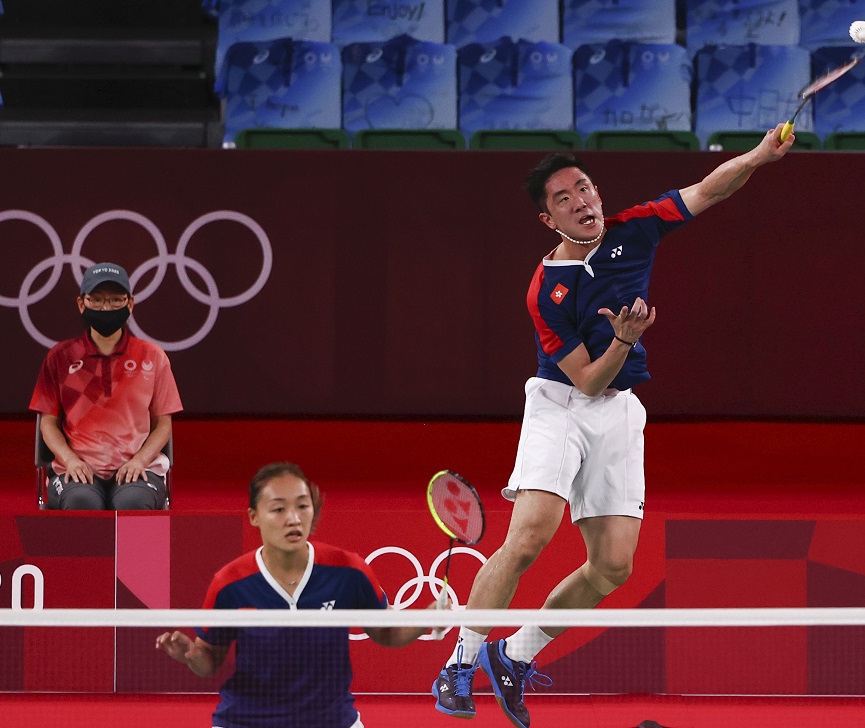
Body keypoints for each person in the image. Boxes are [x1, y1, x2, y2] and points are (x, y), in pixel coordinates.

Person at [432, 126, 794, 726]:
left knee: (614, 566)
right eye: (565, 199)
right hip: (562, 402)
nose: (583, 201)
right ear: (549, 221)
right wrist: (625, 341)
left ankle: (513, 656)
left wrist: (759, 155)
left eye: (586, 188)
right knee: (529, 538)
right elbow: (586, 381)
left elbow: (709, 190)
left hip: (619, 410)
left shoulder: (636, 228)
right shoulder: (546, 291)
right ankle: (459, 663)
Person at [156, 462, 430, 728]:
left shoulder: (348, 571)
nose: (294, 518)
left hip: (331, 721)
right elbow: (210, 660)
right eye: (278, 509)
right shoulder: (231, 583)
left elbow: (386, 633)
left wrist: (428, 618)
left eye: (302, 506)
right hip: (246, 721)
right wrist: (192, 655)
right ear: (254, 516)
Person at [29, 261, 182, 510]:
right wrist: (70, 460)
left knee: (133, 502)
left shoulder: (152, 356)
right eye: (97, 300)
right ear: (82, 304)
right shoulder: (61, 357)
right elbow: (48, 423)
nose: (105, 307)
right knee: (81, 501)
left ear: (130, 303)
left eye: (115, 300)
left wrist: (140, 461)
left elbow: (163, 424)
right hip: (78, 467)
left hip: (137, 468)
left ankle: (139, 552)